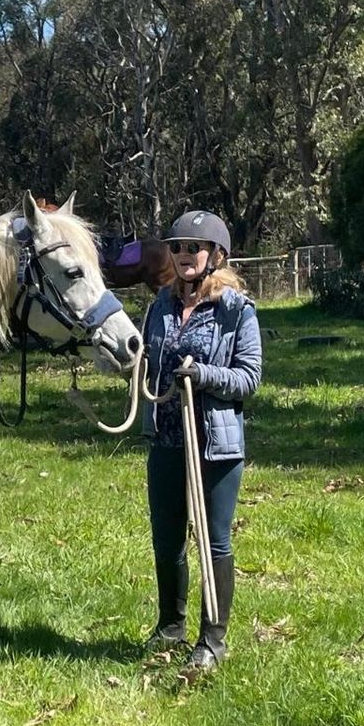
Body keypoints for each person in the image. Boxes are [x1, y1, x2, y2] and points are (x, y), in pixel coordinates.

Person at [140, 210, 262, 673]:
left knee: (214, 542)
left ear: (216, 254)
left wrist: (204, 374)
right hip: (167, 440)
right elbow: (147, 359)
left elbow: (249, 376)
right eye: (178, 247)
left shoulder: (235, 309)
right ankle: (170, 626)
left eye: (194, 247)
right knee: (167, 539)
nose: (185, 255)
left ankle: (213, 640)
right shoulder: (159, 307)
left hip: (215, 443)